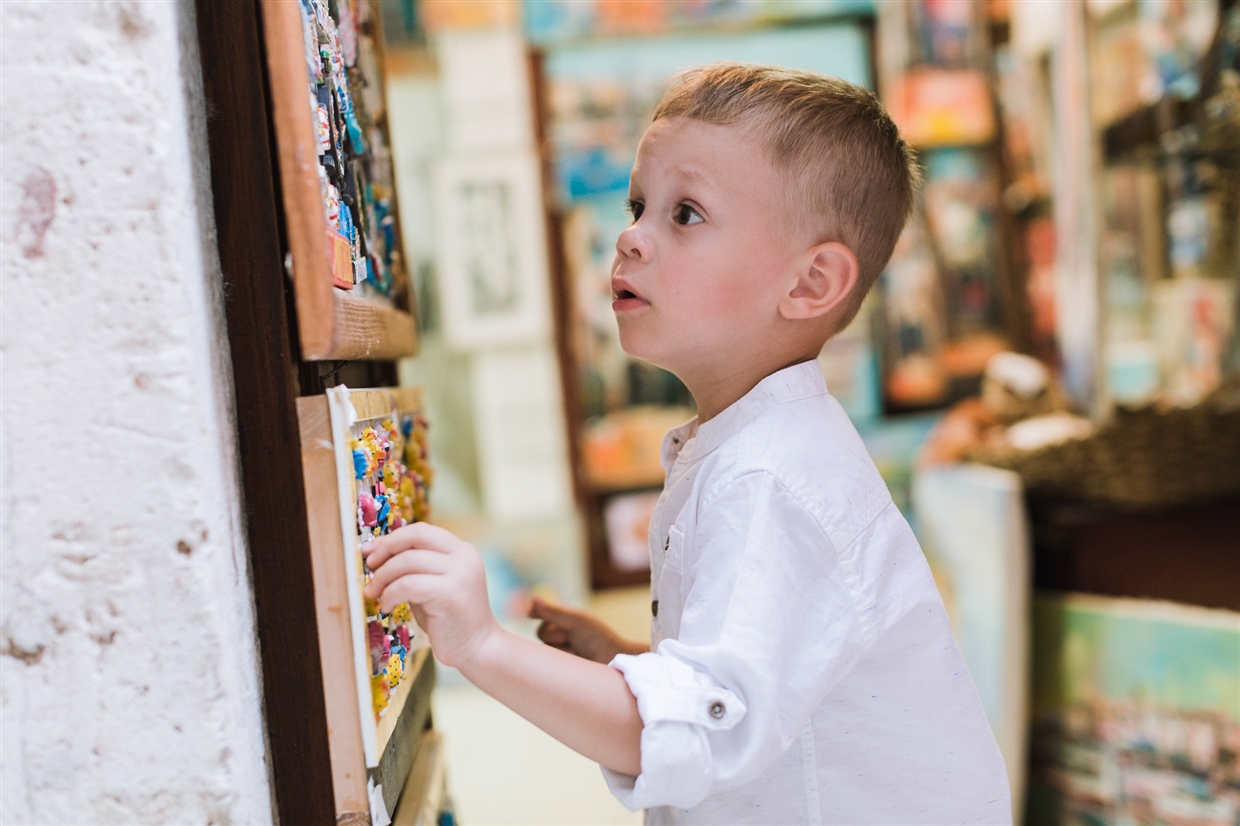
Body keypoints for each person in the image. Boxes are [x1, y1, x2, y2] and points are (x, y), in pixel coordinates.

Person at [362, 63, 1011, 824]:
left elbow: (695, 739)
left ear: (809, 284)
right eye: (639, 205)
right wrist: (623, 664)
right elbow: (742, 701)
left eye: (686, 214)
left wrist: (484, 645)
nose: (631, 236)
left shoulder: (770, 479)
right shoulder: (754, 449)